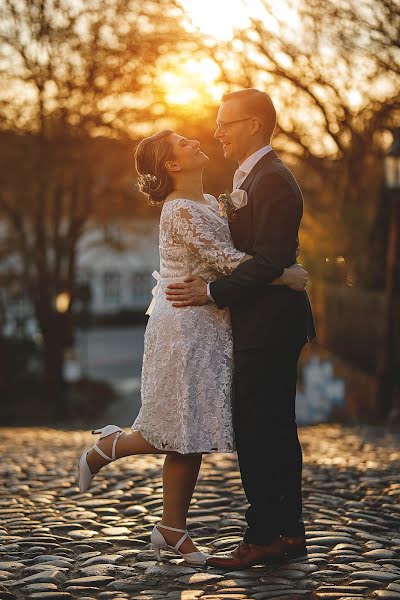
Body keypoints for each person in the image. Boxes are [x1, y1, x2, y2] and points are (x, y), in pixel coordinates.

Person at [77, 126, 308, 566]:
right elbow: (228, 261)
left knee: (193, 432)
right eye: (184, 144)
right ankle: (110, 447)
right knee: (176, 427)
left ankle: (171, 529)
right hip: (184, 326)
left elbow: (228, 260)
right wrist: (285, 274)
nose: (196, 141)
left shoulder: (207, 202)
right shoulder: (180, 210)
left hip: (211, 323)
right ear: (173, 165)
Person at [165, 89, 316, 569]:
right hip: (262, 321)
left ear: (252, 124)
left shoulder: (273, 179)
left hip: (270, 324)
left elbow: (268, 259)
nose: (217, 132)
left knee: (258, 431)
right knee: (274, 429)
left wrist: (211, 294)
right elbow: (247, 254)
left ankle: (263, 536)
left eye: (225, 123)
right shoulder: (247, 176)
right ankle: (288, 531)